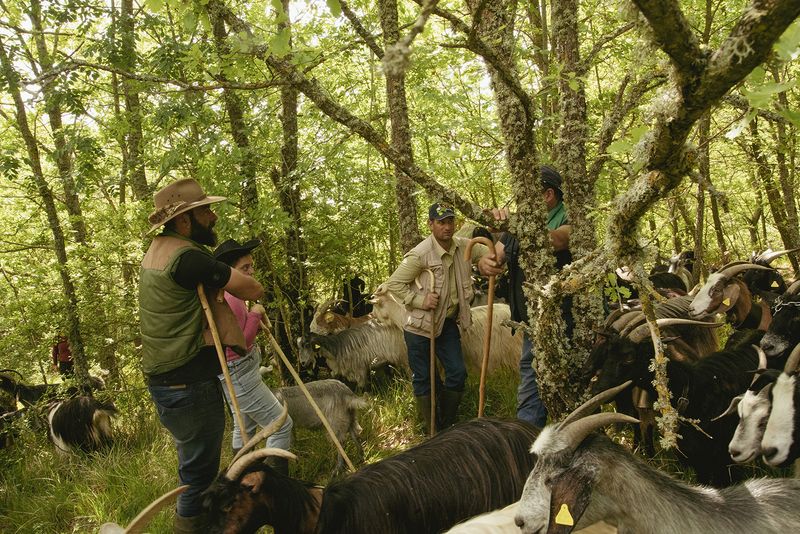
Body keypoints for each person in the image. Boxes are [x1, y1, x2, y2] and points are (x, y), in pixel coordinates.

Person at [139, 178, 263, 533]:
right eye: (205, 210)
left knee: (192, 465)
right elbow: (250, 287)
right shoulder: (187, 258)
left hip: (167, 380)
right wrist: (253, 290)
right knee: (200, 475)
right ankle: (192, 529)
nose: (213, 216)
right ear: (183, 220)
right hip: (187, 383)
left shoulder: (157, 250)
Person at [385, 202, 503, 434]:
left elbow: (488, 254)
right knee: (424, 378)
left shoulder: (462, 246)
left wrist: (486, 260)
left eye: (450, 221)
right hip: (419, 327)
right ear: (431, 225)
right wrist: (419, 301)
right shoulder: (420, 255)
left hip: (446, 322)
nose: (447, 227)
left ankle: (447, 424)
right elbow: (394, 284)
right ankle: (432, 430)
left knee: (457, 373)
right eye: (441, 222)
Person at [492, 165, 572, 427]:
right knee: (530, 385)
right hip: (530, 323)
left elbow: (558, 240)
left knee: (567, 388)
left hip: (565, 324)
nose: (519, 201)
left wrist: (515, 226)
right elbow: (496, 255)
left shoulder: (570, 218)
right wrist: (488, 262)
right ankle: (529, 448)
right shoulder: (521, 223)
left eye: (526, 195)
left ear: (548, 195)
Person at [212, 238, 293, 472]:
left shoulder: (224, 295)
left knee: (243, 428)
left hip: (233, 372)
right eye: (244, 268)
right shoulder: (233, 298)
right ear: (230, 272)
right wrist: (256, 313)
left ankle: (242, 480)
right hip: (240, 372)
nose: (250, 271)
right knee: (280, 424)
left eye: (251, 266)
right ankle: (275, 487)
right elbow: (241, 342)